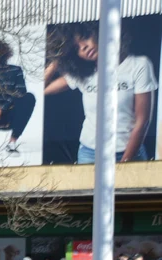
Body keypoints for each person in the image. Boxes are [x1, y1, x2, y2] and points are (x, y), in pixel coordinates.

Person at [44, 21, 157, 164]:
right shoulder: (83, 74)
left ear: (99, 32)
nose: (84, 47)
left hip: (128, 152)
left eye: (84, 38)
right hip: (90, 153)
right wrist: (58, 59)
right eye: (76, 48)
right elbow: (41, 89)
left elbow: (142, 120)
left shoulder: (138, 65)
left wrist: (126, 162)